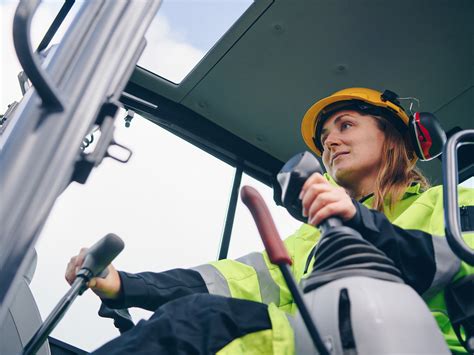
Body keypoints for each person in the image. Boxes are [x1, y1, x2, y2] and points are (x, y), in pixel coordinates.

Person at [66, 87, 474, 354]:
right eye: (324, 138)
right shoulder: (312, 238)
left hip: (423, 343)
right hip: (323, 339)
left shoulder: (455, 200)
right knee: (191, 322)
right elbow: (233, 281)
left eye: (346, 125)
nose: (330, 142)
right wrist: (129, 285)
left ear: (396, 137)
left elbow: (456, 261)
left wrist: (360, 223)